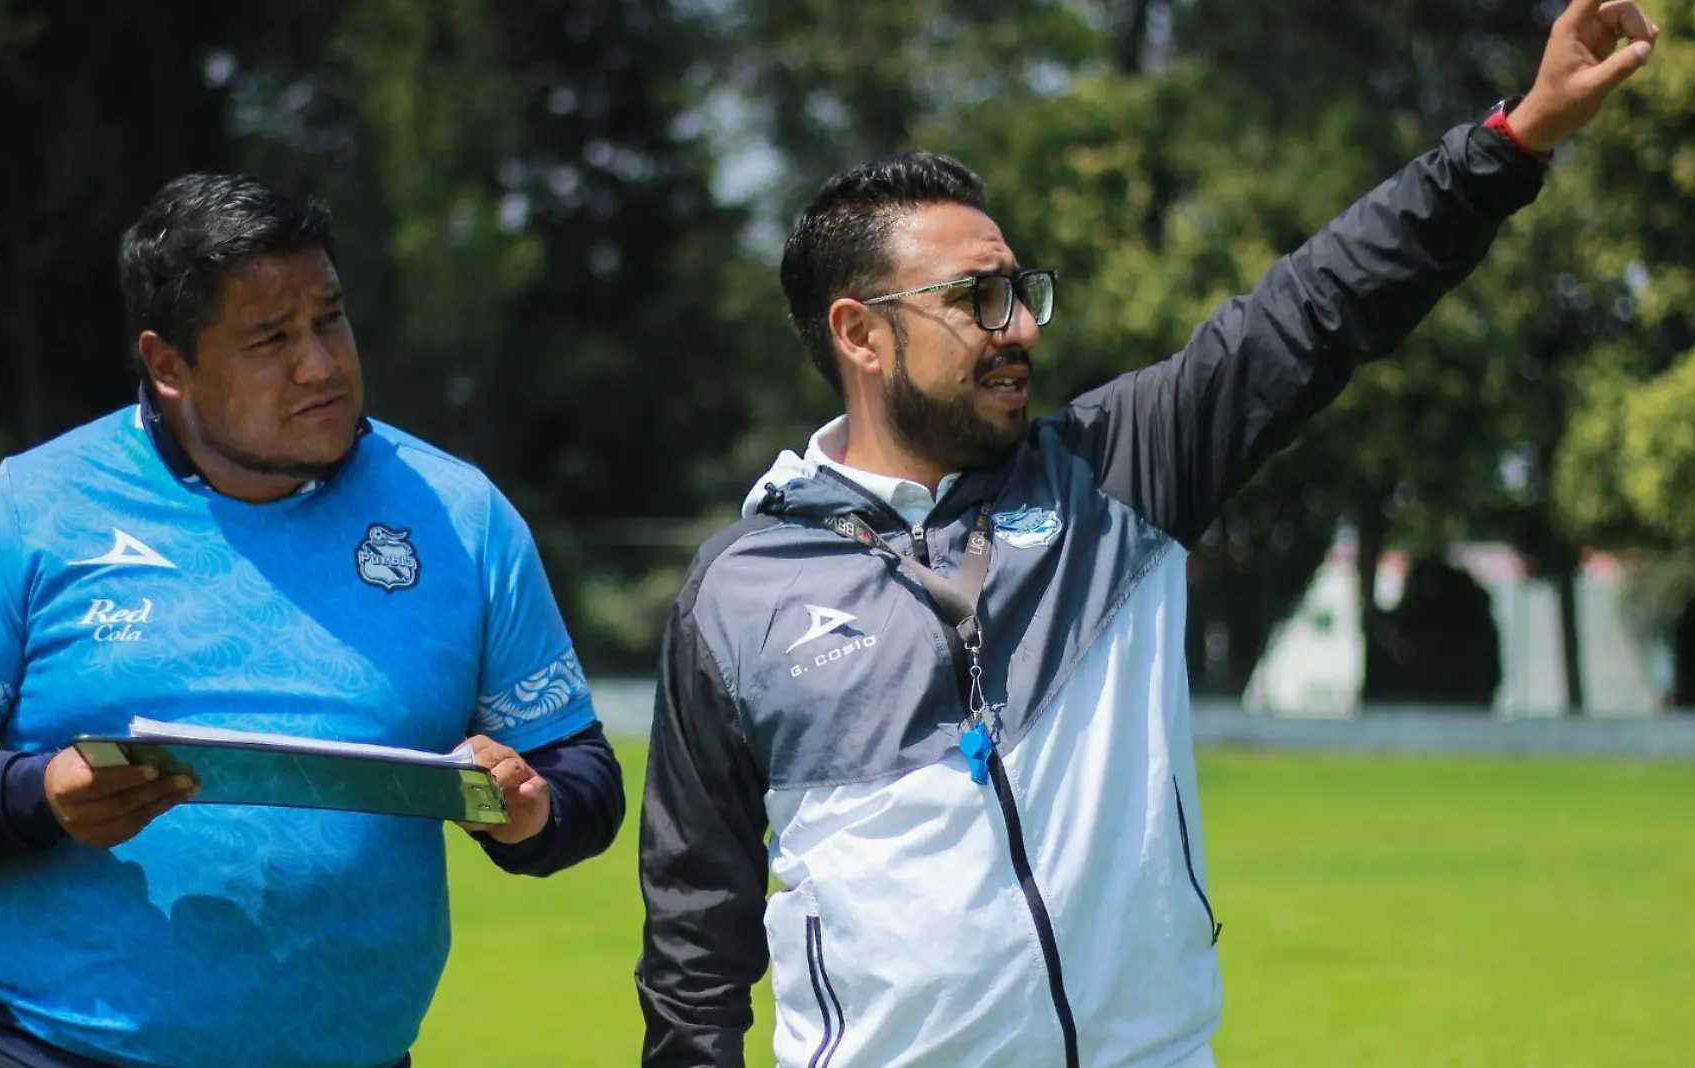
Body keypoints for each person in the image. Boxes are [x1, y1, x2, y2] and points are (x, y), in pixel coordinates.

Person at [634, 2, 1657, 1066]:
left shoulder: (1114, 474)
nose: (1018, 326)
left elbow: (1319, 308)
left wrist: (1517, 135)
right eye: (975, 299)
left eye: (1019, 292)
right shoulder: (739, 591)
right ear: (860, 335)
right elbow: (695, 927)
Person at [0, 172, 625, 1068]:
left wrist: (529, 811)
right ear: (168, 366)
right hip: (47, 1050)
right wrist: (41, 795)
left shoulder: (459, 514)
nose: (320, 363)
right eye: (270, 338)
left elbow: (581, 774)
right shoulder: (34, 507)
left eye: (329, 319)